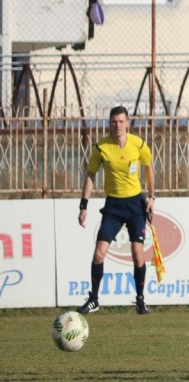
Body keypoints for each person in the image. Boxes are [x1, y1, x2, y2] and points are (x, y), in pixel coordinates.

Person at [77, 105, 156, 315]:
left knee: (138, 255)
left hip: (135, 206)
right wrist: (84, 205)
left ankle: (140, 300)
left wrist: (152, 197)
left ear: (127, 123)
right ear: (109, 124)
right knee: (99, 254)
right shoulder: (102, 147)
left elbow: (149, 169)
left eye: (121, 121)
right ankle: (94, 299)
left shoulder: (139, 145)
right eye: (114, 122)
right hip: (113, 207)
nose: (117, 125)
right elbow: (90, 175)